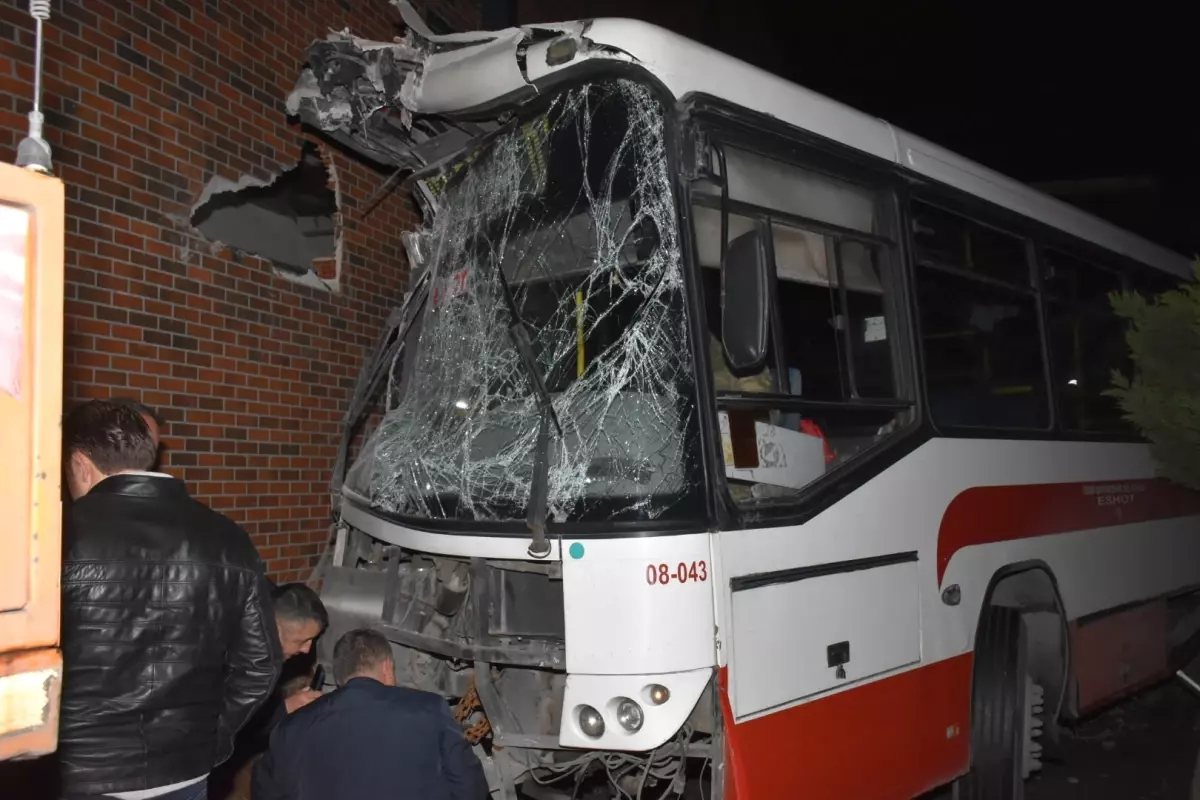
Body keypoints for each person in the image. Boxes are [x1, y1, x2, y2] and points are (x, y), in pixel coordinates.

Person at [58, 400, 282, 800]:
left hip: (84, 774)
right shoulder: (228, 537)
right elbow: (260, 664)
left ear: (79, 464)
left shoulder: (55, 537)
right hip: (184, 772)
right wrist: (211, 736)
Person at [252, 628, 489, 800]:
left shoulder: (290, 728)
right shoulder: (429, 708)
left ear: (340, 675)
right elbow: (471, 789)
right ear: (386, 667)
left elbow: (264, 792)